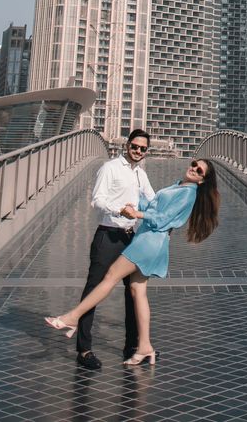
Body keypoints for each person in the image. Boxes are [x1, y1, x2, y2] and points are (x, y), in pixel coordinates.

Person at [45, 157, 219, 365]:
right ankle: (145, 347)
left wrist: (137, 213)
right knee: (138, 291)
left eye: (199, 171)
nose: (193, 169)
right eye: (194, 164)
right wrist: (133, 200)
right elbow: (154, 206)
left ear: (202, 180)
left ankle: (73, 317)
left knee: (110, 277)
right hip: (148, 239)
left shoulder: (187, 194)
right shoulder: (178, 185)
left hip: (149, 242)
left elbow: (162, 219)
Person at [73, 128, 156, 370]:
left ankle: (133, 347)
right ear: (127, 145)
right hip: (108, 236)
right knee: (94, 291)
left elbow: (152, 201)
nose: (138, 151)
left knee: (133, 293)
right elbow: (97, 200)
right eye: (135, 146)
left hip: (131, 238)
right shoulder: (110, 168)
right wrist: (119, 210)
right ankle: (84, 350)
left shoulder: (141, 174)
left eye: (143, 148)